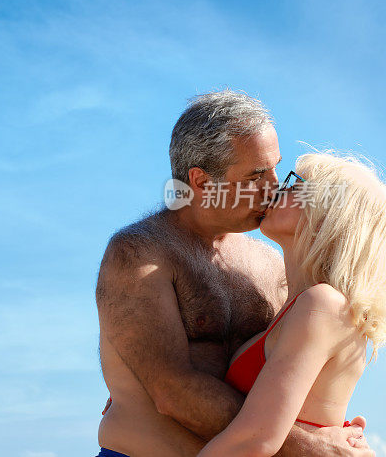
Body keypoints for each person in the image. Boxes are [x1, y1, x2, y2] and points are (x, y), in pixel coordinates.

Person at [95, 90, 371, 456]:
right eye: (257, 175)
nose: (274, 186)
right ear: (203, 183)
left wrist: (337, 434)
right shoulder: (139, 254)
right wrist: (306, 446)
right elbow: (172, 391)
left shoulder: (271, 264)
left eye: (276, 167)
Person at [198, 152, 386, 456]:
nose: (276, 190)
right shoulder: (302, 306)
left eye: (296, 185)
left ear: (328, 215)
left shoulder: (323, 304)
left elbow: (256, 439)